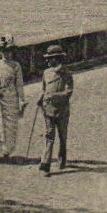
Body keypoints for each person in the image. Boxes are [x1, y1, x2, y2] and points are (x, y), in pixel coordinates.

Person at [0, 35, 24, 160]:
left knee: (10, 125)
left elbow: (19, 85)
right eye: (5, 51)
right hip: (0, 98)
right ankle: (0, 150)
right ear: (1, 51)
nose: (8, 54)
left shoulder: (15, 66)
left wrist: (22, 100)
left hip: (11, 99)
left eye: (10, 52)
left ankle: (8, 150)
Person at [38, 44, 74, 175]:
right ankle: (45, 164)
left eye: (50, 58)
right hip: (48, 109)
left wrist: (54, 96)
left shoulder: (66, 73)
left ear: (57, 59)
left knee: (62, 136)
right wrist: (40, 98)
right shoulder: (46, 73)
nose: (47, 61)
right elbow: (44, 89)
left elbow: (69, 91)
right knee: (49, 136)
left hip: (62, 110)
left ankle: (62, 157)